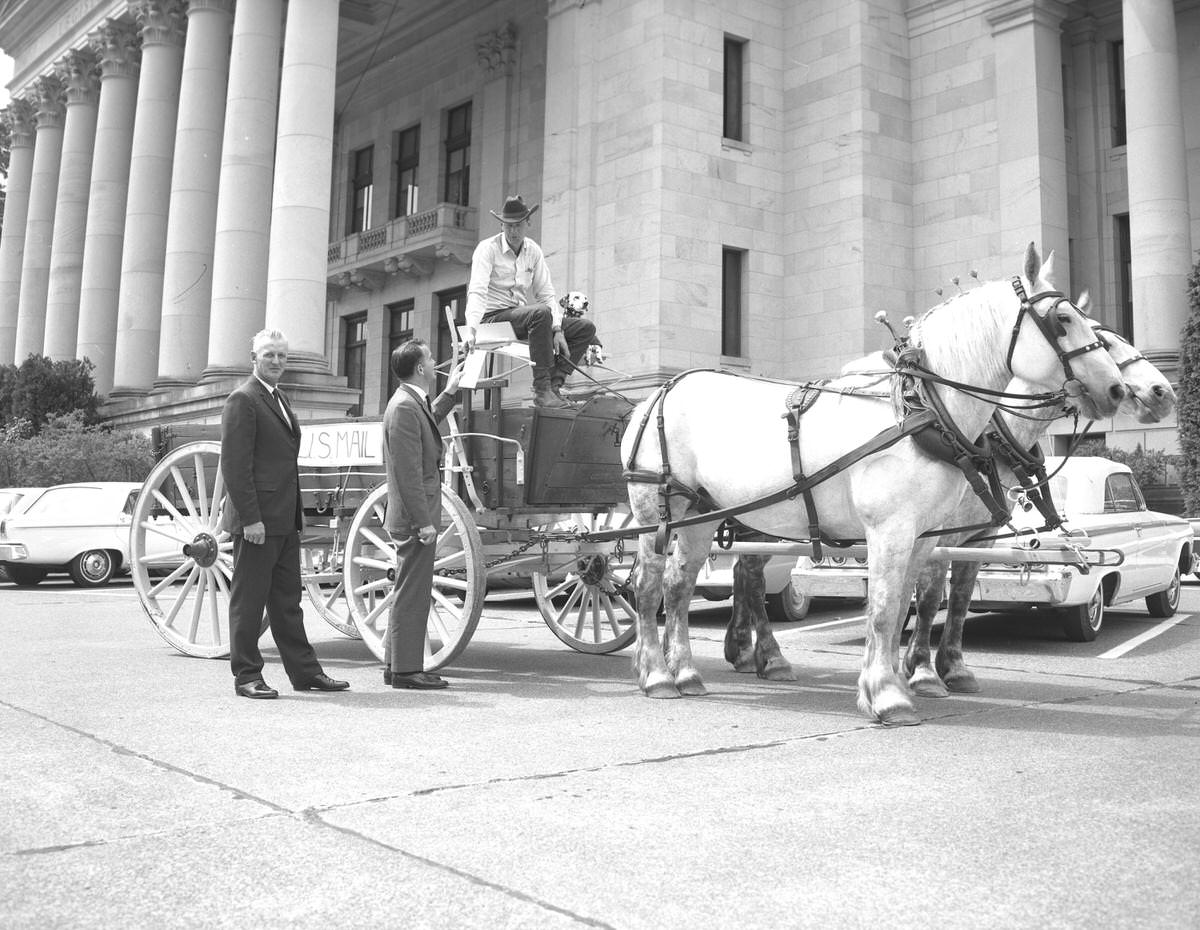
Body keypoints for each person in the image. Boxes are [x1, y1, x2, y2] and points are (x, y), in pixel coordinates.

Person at [219, 329, 349, 699]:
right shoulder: (243, 400)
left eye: (281, 356)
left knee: (287, 602)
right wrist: (250, 519)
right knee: (249, 602)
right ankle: (246, 676)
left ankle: (305, 673)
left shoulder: (278, 398)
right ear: (253, 358)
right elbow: (235, 467)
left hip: (284, 519)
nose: (276, 361)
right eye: (269, 355)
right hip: (258, 521)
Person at [381, 339, 465, 690]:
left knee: (410, 590)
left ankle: (398, 666)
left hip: (417, 514)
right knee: (413, 592)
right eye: (430, 359)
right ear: (419, 368)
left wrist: (450, 393)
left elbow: (428, 422)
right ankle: (405, 671)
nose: (434, 363)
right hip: (415, 517)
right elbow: (408, 474)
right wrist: (424, 522)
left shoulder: (411, 403)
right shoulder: (404, 407)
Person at [463, 194, 600, 408]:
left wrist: (557, 329)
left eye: (518, 225)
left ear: (528, 223)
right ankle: (542, 391)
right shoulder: (487, 249)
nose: (513, 231)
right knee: (540, 313)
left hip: (522, 318)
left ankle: (555, 384)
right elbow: (477, 292)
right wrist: (471, 328)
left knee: (585, 328)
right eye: (508, 226)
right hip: (492, 319)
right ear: (501, 226)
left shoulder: (532, 250)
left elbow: (546, 293)